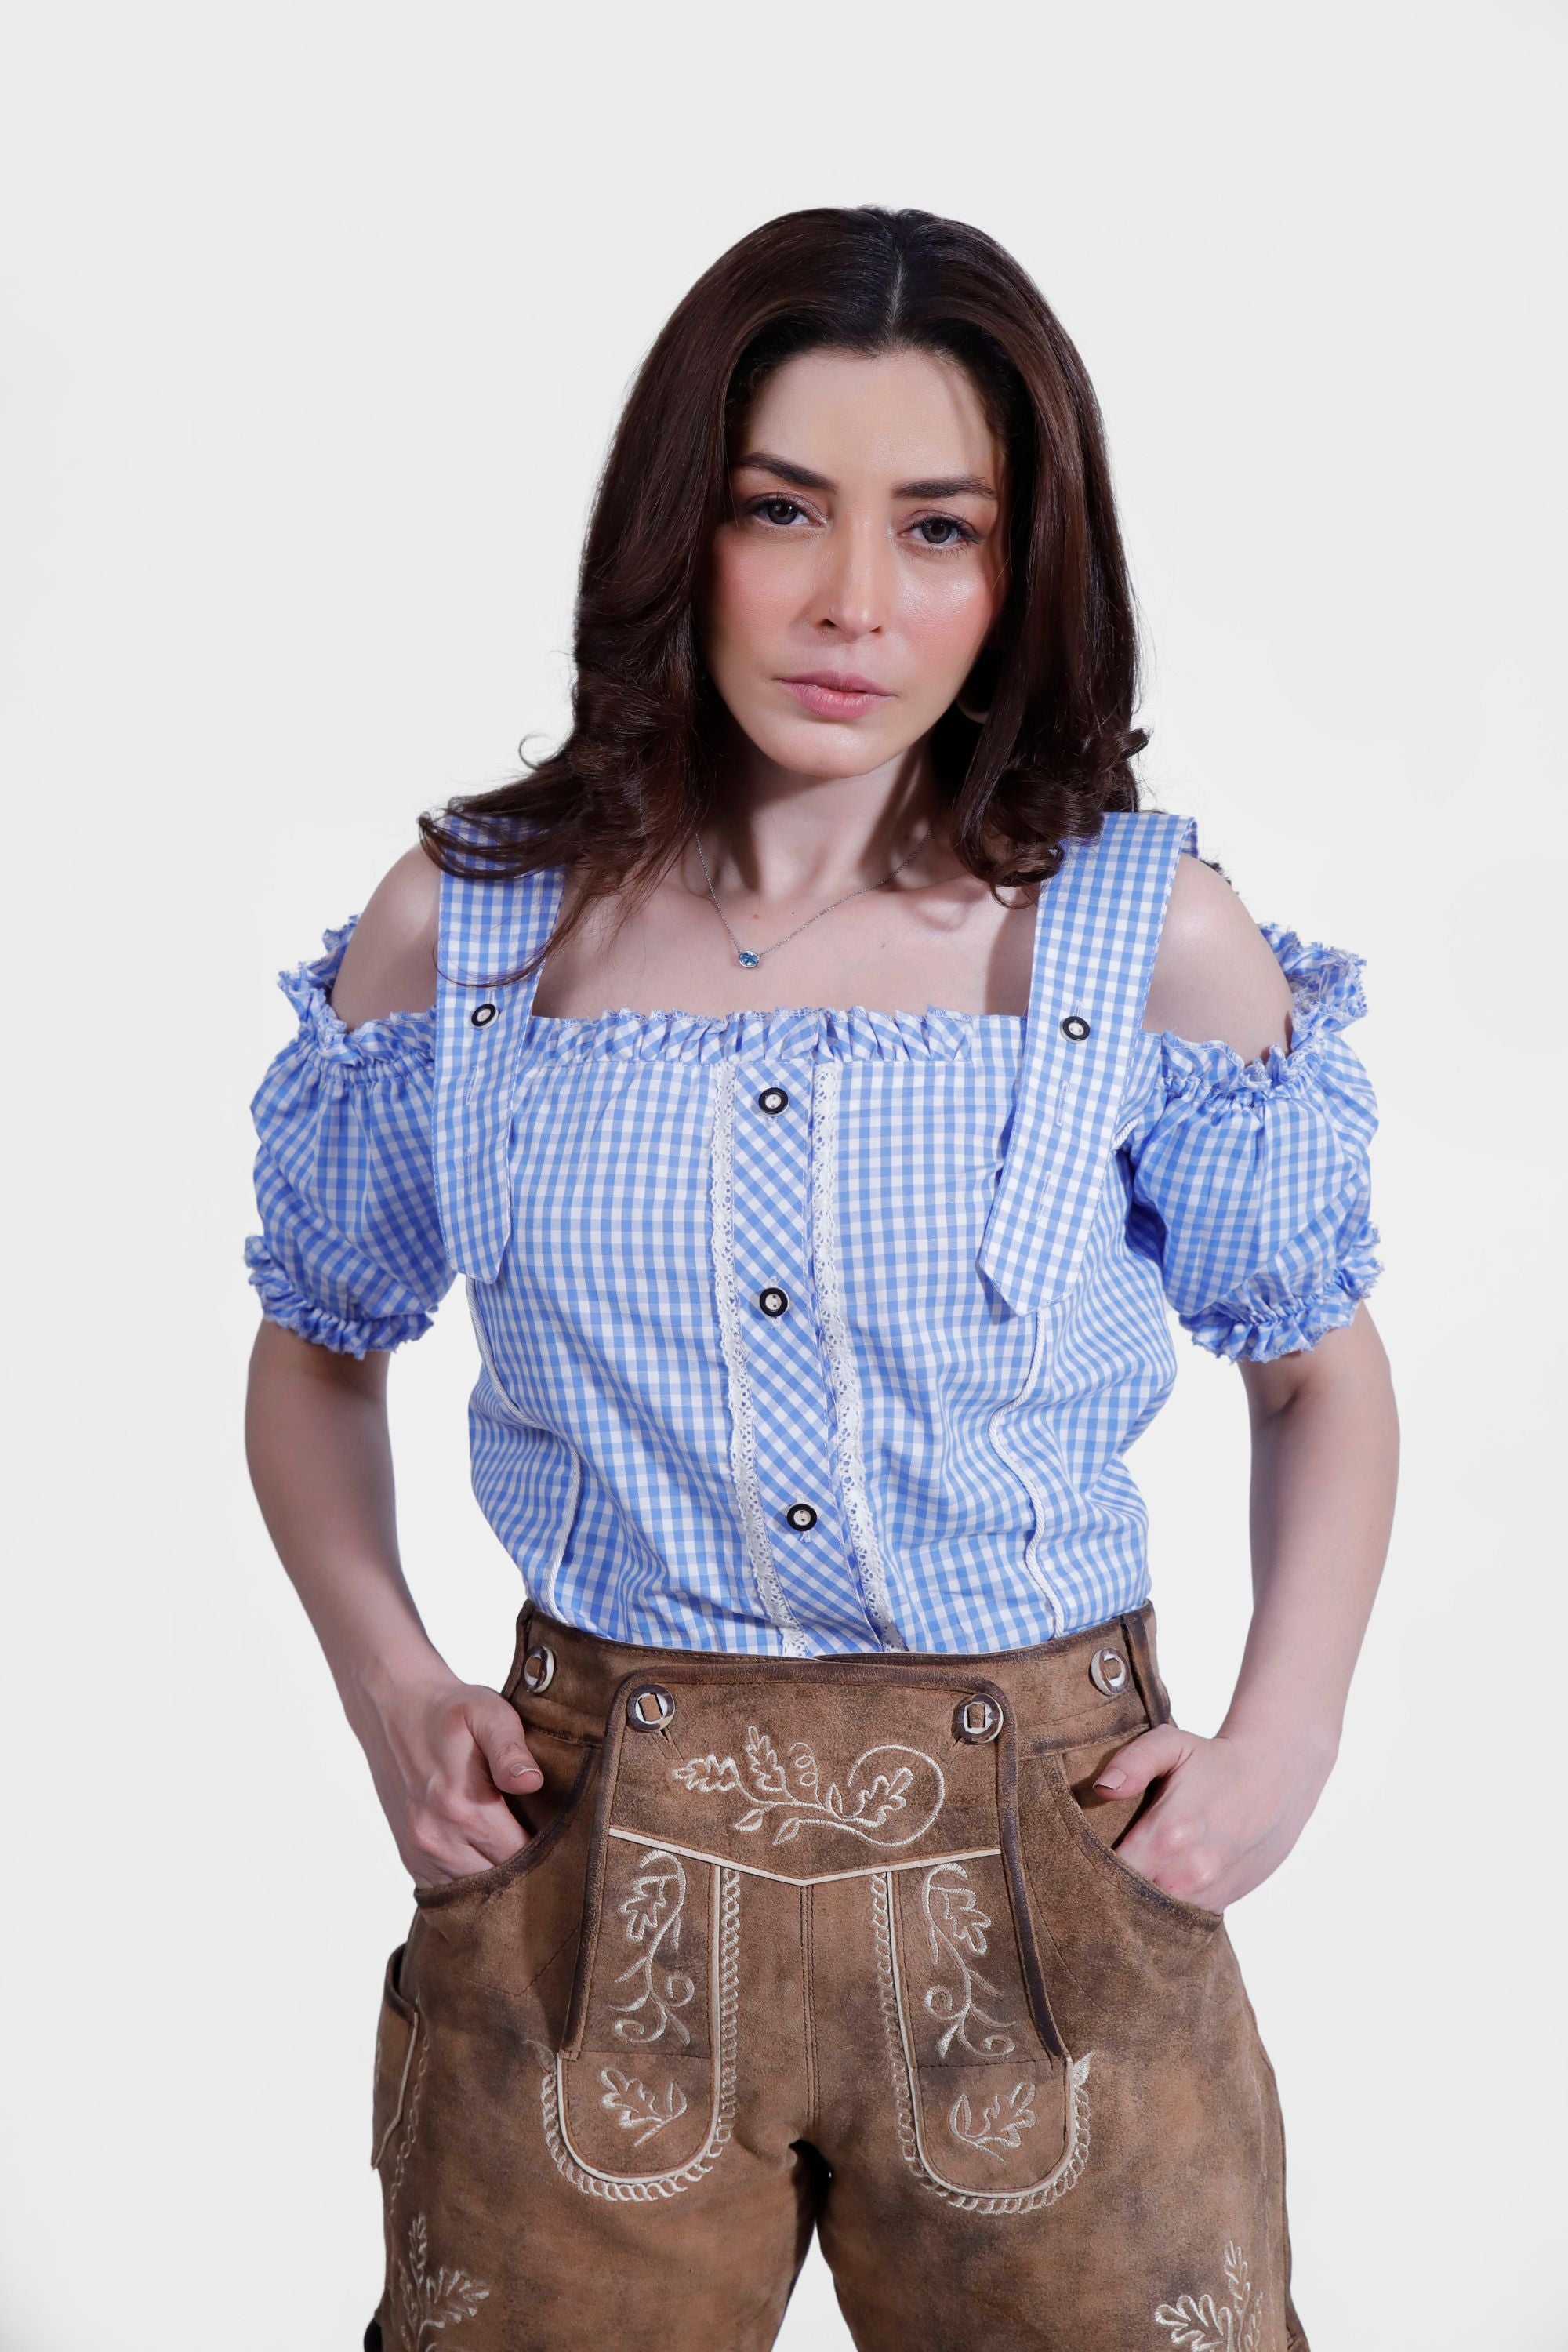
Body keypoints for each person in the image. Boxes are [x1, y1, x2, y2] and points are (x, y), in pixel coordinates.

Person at [243, 205, 1397, 2352]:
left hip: (1054, 1867)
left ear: (1025, 566)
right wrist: (392, 1680)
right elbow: (315, 1350)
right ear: (681, 526)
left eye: (939, 527)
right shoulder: (475, 934)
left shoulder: (1145, 942)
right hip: (587, 1878)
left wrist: (1286, 1740)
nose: (856, 601)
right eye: (784, 511)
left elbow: (1318, 1374)